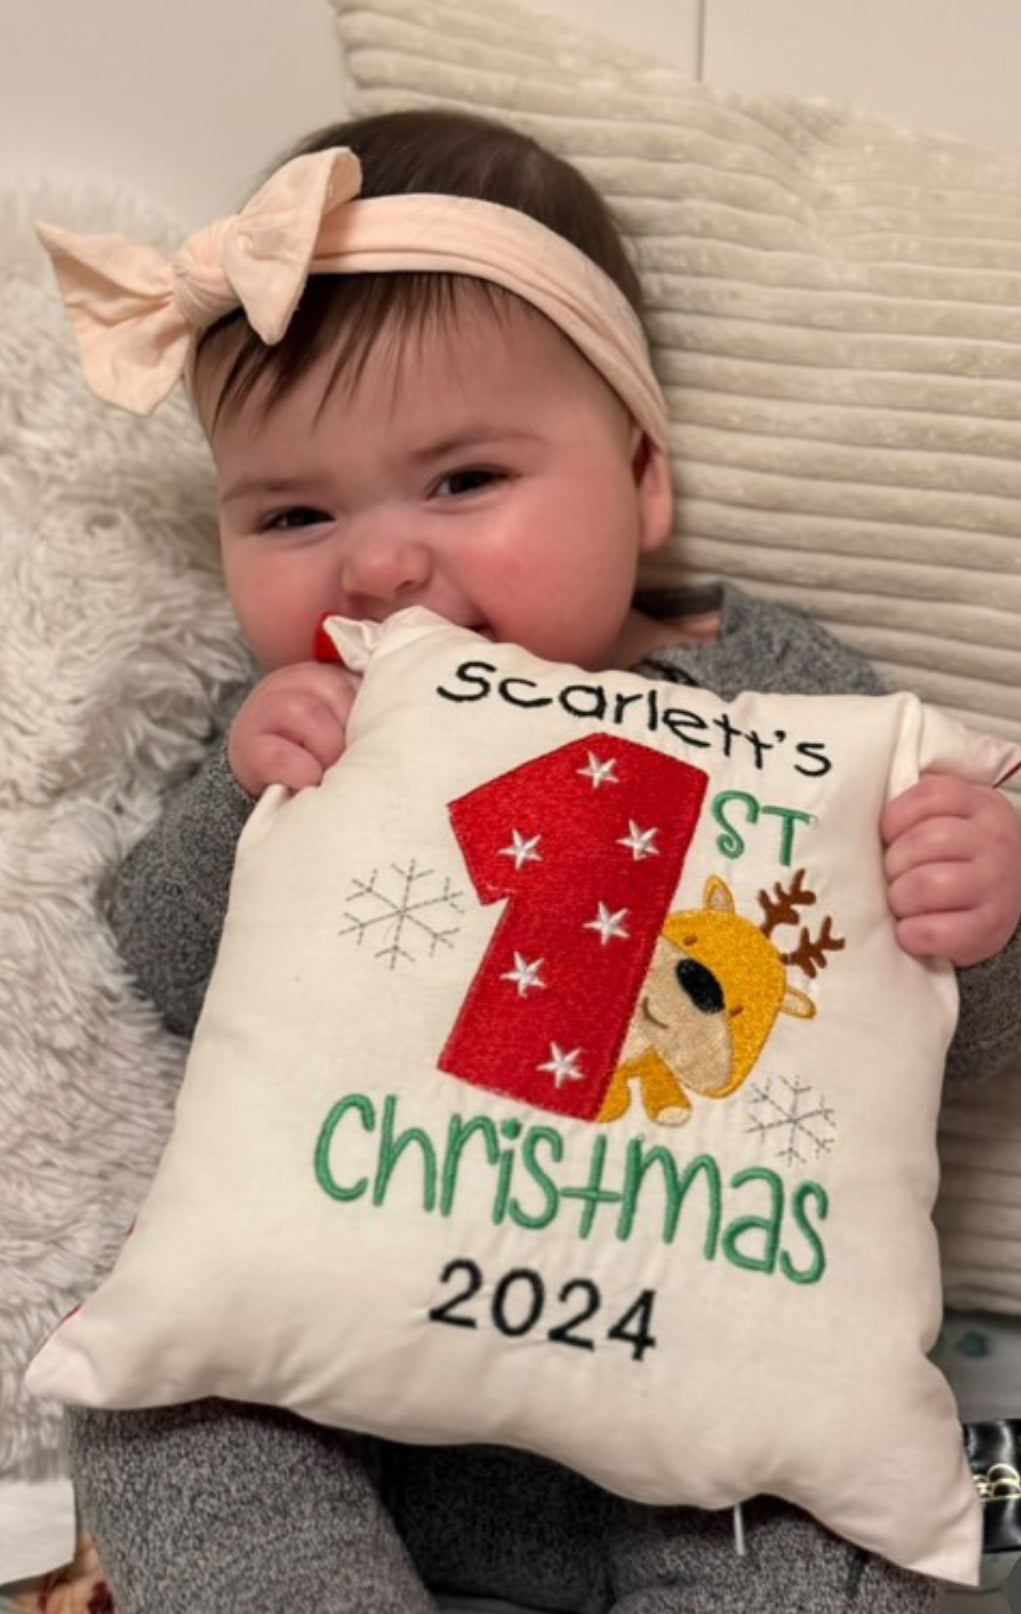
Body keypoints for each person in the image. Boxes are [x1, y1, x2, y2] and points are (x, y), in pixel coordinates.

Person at [40, 108, 1021, 1614]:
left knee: (829, 1515)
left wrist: (981, 918)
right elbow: (160, 979)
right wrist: (244, 805)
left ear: (640, 478)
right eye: (295, 512)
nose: (378, 563)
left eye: (462, 481)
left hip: (696, 1416)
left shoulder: (780, 690)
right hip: (348, 1391)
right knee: (154, 1412)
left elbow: (937, 1040)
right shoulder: (304, 717)